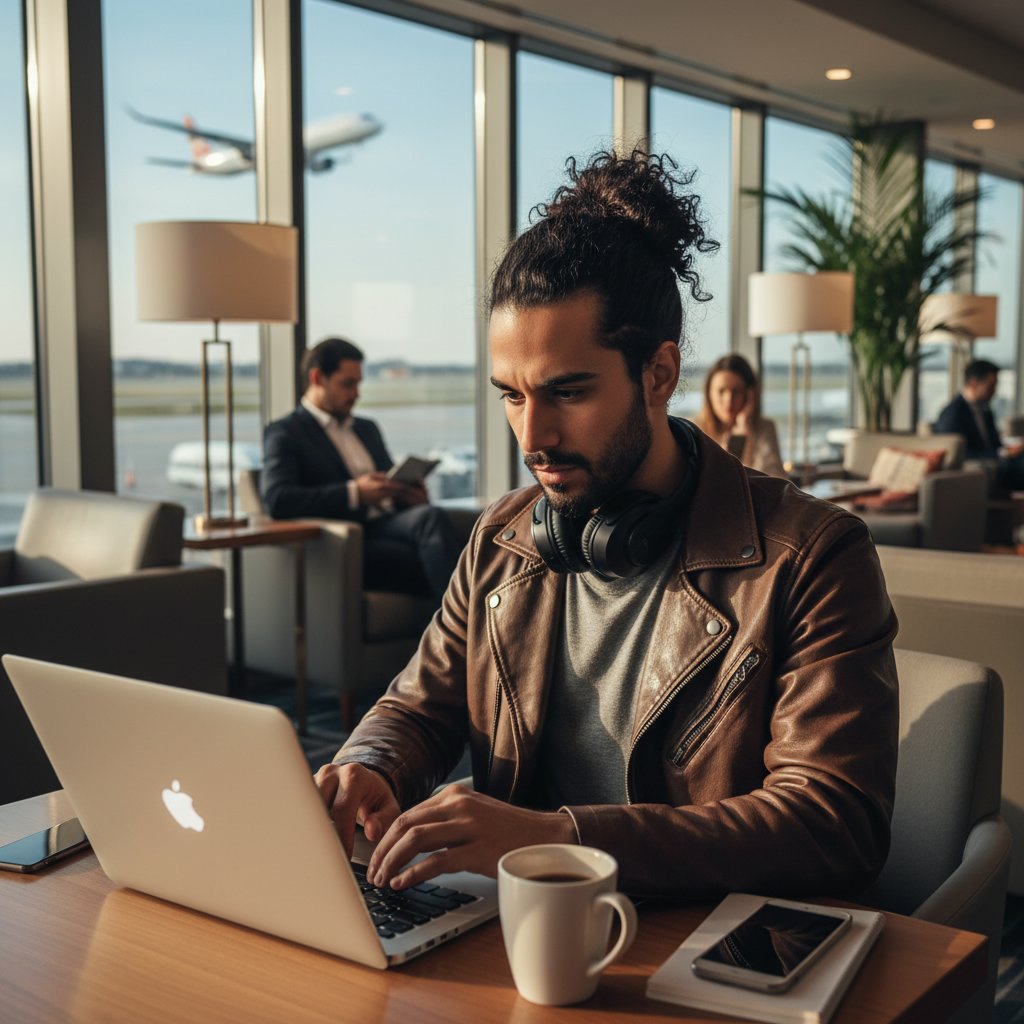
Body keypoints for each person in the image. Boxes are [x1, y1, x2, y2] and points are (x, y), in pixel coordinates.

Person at [314, 150, 898, 902]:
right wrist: (370, 764)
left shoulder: (809, 557)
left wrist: (563, 841)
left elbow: (832, 823)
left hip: (696, 945)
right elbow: (419, 705)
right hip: (527, 935)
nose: (533, 436)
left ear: (658, 374)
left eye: (567, 391)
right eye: (513, 396)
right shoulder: (503, 539)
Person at [261, 337, 462, 599]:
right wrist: (355, 492)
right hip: (349, 540)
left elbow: (390, 479)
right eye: (348, 384)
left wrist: (409, 495)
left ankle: (456, 627)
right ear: (317, 378)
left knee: (446, 527)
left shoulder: (366, 428)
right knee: (435, 533)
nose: (356, 394)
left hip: (392, 524)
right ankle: (469, 627)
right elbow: (278, 500)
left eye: (358, 384)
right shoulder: (286, 432)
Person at [934, 358, 1024, 491]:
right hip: (980, 465)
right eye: (991, 386)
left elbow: (995, 444)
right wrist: (1004, 453)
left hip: (997, 462)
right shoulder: (953, 414)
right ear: (973, 383)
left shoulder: (986, 411)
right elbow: (957, 455)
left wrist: (1009, 450)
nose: (994, 391)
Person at [692, 353, 786, 477]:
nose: (728, 400)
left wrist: (747, 437)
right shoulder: (695, 431)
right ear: (709, 393)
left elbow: (776, 484)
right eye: (721, 391)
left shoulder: (765, 428)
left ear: (749, 394)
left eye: (736, 391)